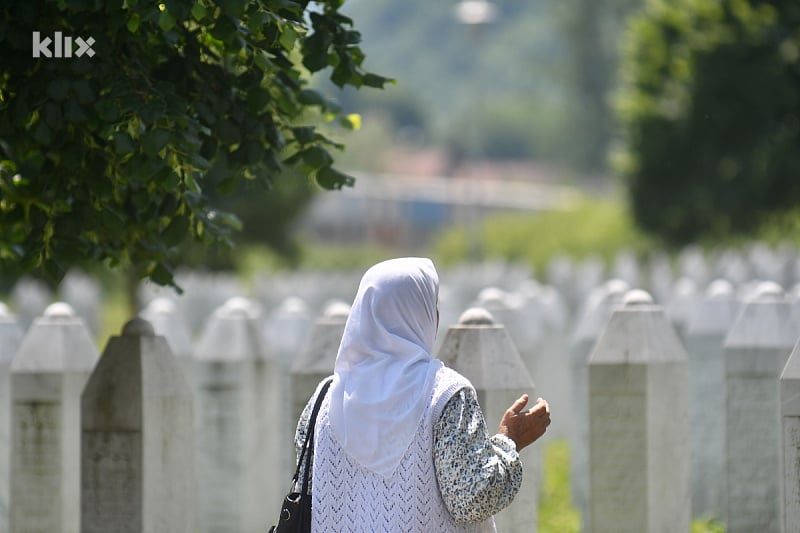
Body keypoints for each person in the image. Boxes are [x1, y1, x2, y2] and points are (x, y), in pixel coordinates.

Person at [293, 257, 551, 532]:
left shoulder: (324, 398)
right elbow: (472, 499)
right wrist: (510, 440)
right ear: (422, 314)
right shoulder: (446, 393)